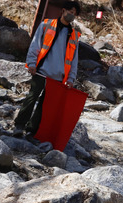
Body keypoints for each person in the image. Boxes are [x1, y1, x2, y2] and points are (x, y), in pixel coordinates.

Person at [13, 1, 81, 137]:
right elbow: (35, 45)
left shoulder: (74, 35)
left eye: (74, 14)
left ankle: (32, 131)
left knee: (45, 106)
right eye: (70, 12)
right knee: (31, 98)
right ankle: (19, 126)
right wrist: (31, 63)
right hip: (41, 71)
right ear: (63, 11)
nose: (71, 15)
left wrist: (71, 78)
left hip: (58, 77)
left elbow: (74, 60)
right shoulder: (46, 25)